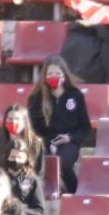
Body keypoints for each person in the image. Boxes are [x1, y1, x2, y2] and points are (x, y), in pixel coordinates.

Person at [28, 55, 91, 195]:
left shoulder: (75, 95)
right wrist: (47, 142)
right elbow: (33, 128)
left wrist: (70, 138)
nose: (53, 76)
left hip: (69, 142)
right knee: (41, 163)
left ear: (64, 75)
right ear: (44, 76)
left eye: (57, 73)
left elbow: (85, 127)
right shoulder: (36, 98)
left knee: (62, 162)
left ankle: (75, 192)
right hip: (44, 142)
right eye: (50, 74)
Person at [0, 137, 45, 215]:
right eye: (12, 157)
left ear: (26, 158)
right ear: (7, 157)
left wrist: (18, 212)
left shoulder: (32, 179)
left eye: (19, 157)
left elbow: (39, 211)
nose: (16, 160)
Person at [0, 104, 45, 175]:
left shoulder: (36, 144)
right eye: (10, 119)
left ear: (25, 122)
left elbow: (40, 173)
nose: (13, 122)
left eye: (17, 119)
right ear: (5, 122)